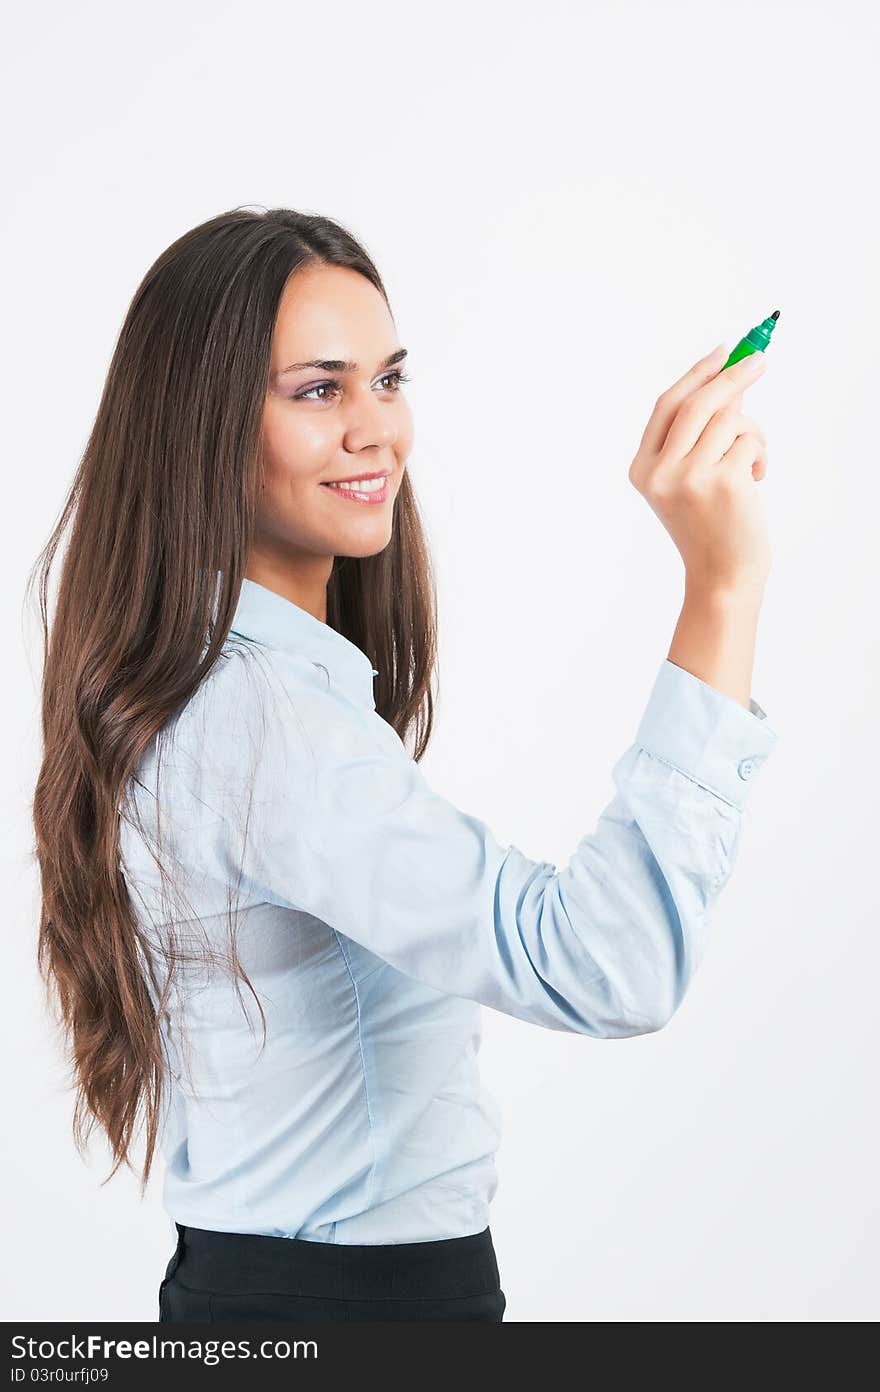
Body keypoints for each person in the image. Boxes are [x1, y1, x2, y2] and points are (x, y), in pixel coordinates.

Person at [29, 207, 778, 1323]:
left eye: (388, 379)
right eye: (318, 389)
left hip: (278, 1292)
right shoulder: (266, 726)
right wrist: (722, 589)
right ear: (203, 424)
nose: (377, 428)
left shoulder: (222, 690)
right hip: (351, 1311)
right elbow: (604, 965)